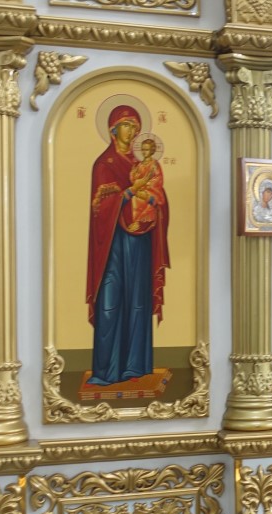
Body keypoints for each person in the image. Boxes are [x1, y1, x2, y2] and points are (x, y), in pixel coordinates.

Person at [86, 105, 170, 385]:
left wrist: (154, 201)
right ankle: (106, 371)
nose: (131, 130)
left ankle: (135, 367)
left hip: (140, 239)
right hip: (112, 242)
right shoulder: (104, 164)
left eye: (135, 126)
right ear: (112, 130)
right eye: (125, 125)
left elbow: (160, 198)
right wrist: (131, 191)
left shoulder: (144, 164)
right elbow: (99, 207)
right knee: (110, 301)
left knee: (138, 301)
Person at [126, 135, 164, 233]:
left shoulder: (154, 165)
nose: (144, 152)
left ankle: (138, 222)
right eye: (142, 149)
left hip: (150, 192)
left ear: (152, 150)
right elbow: (135, 178)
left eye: (146, 149)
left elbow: (157, 179)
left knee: (142, 201)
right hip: (139, 191)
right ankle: (135, 221)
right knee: (134, 200)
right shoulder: (140, 165)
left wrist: (146, 187)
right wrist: (133, 174)